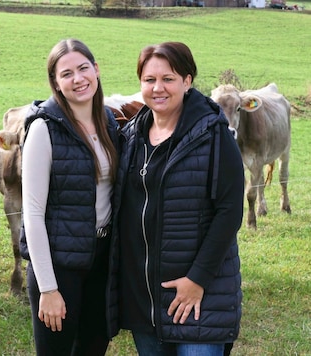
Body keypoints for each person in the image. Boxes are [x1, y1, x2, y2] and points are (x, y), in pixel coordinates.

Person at [113, 41, 244, 355]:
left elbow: (229, 212)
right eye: (149, 80)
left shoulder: (214, 136)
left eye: (168, 79)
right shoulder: (131, 137)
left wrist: (197, 280)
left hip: (200, 298)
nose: (158, 88)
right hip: (146, 299)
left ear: (187, 81)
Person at [19, 38, 120, 355]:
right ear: (56, 83)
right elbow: (32, 214)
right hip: (59, 264)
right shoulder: (43, 130)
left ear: (97, 70)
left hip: (102, 260)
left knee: (93, 349)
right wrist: (48, 288)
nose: (78, 79)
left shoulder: (110, 123)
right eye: (66, 74)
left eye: (83, 68)